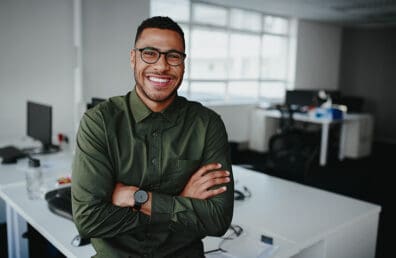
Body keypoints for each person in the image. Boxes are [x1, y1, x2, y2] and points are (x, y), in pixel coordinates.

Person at [71, 16, 234, 258]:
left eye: (173, 56)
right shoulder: (100, 122)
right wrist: (180, 202)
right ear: (133, 58)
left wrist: (138, 198)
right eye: (150, 53)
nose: (161, 66)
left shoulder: (207, 124)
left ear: (184, 64)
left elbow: (218, 220)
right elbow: (88, 220)